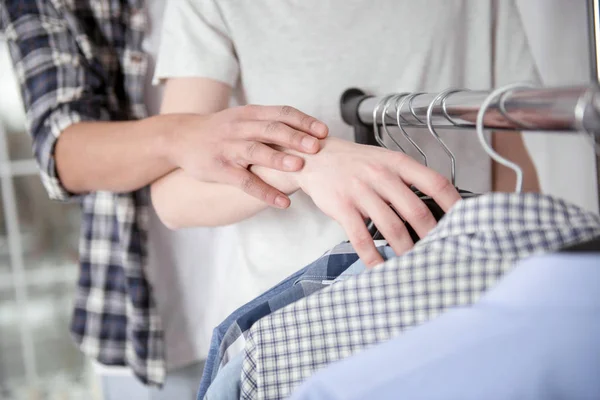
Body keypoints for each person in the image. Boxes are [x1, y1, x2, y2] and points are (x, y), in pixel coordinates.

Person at [0, 1, 539, 399]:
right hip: (289, 346)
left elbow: (513, 160)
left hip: (464, 313)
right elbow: (162, 189)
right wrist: (308, 162)